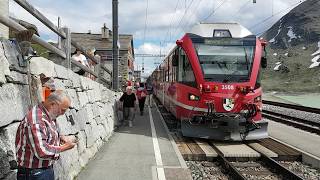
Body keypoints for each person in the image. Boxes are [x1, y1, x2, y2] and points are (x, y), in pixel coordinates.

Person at [15, 91, 77, 180]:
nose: (63, 113)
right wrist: (64, 147)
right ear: (53, 104)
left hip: (42, 170)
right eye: (63, 110)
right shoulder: (36, 121)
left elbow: (47, 133)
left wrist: (60, 137)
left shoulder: (48, 114)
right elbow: (42, 151)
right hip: (34, 173)